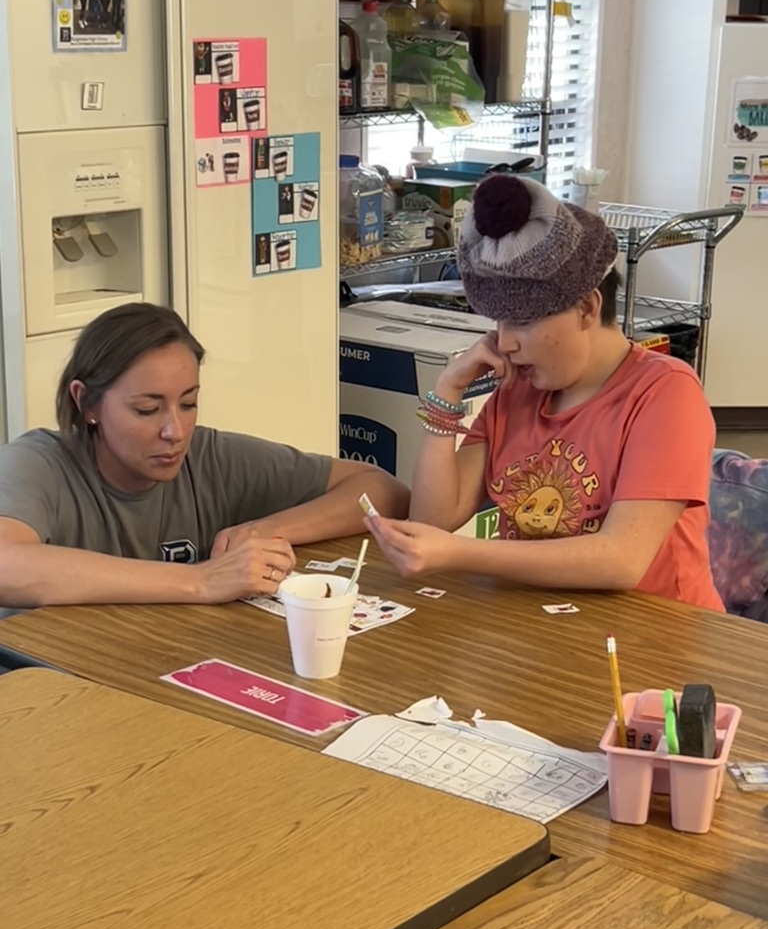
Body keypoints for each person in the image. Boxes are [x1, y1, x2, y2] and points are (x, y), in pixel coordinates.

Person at [366, 174, 723, 611]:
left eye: (522, 322)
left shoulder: (666, 394)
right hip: (540, 630)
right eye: (497, 323)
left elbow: (620, 559)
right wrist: (448, 390)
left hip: (659, 638)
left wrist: (457, 552)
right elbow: (434, 519)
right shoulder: (520, 390)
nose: (505, 343)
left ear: (588, 308)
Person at [0, 303, 409, 608]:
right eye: (146, 409)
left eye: (188, 404)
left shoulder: (212, 457)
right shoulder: (37, 464)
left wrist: (267, 528)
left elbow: (383, 491)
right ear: (86, 402)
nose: (174, 431)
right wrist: (200, 581)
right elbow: (6, 564)